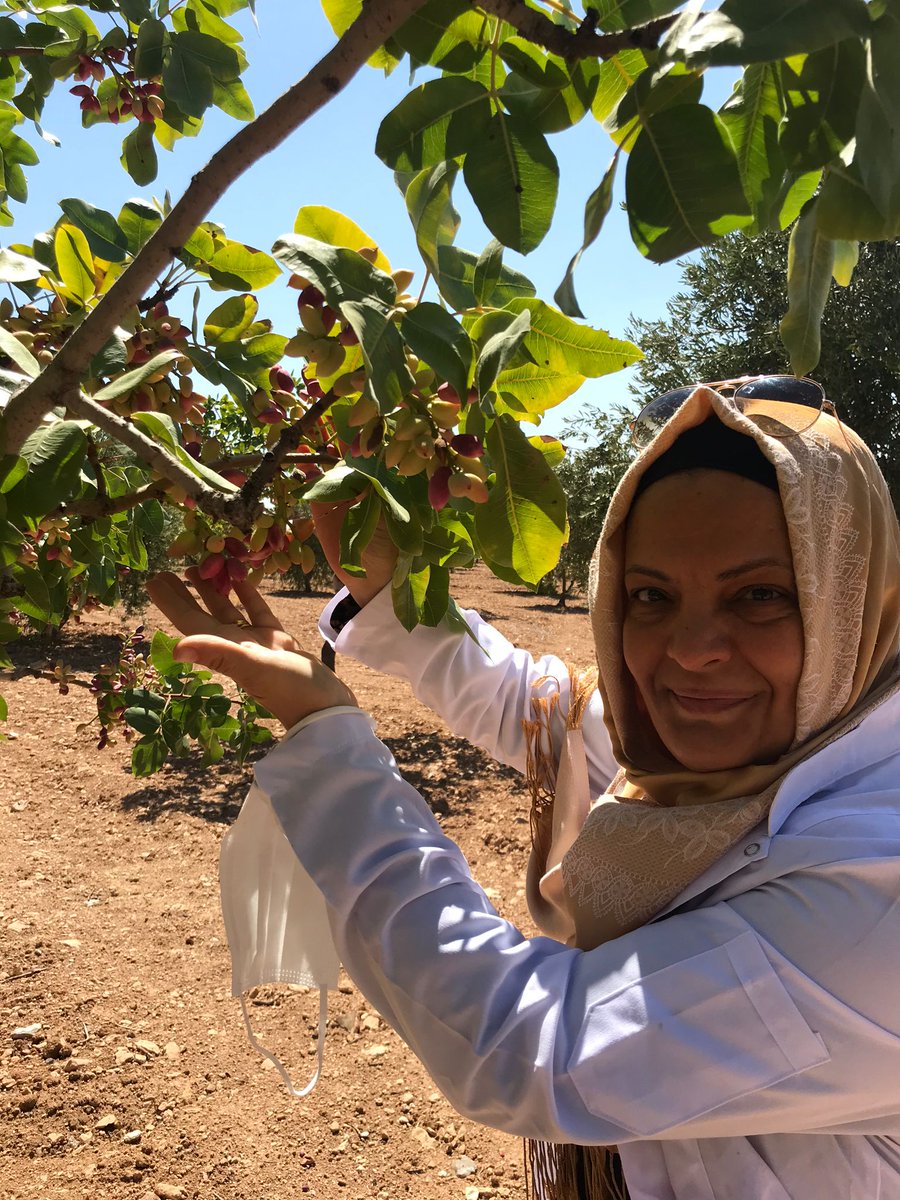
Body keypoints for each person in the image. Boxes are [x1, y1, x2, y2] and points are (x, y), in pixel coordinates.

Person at [147, 381, 900, 1200]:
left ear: (854, 599)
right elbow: (546, 708)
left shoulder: (879, 896)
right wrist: (388, 597)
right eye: (651, 596)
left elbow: (534, 1049)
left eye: (760, 595)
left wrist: (328, 745)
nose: (690, 651)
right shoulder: (783, 740)